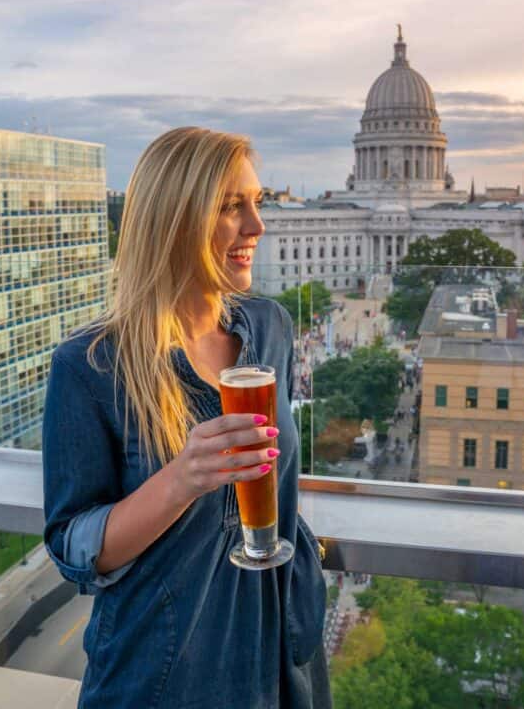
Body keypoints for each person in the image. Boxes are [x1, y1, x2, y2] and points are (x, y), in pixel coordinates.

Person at [42, 128, 331, 708]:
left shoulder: (270, 327)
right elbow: (74, 546)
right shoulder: (90, 365)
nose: (257, 225)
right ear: (175, 221)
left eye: (257, 201)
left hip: (278, 654)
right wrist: (181, 479)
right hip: (163, 673)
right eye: (231, 207)